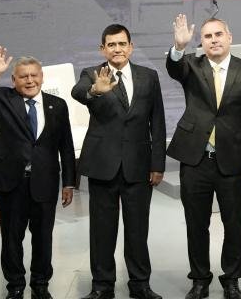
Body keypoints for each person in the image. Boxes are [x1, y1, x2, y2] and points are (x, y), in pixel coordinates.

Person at [166, 15, 241, 299]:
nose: (214, 40)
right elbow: (174, 67)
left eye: (218, 34)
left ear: (230, 37)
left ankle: (231, 279)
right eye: (208, 36)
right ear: (201, 42)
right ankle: (200, 279)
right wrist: (179, 46)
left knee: (234, 225)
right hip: (195, 160)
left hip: (234, 162)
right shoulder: (191, 65)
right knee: (196, 225)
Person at [71, 24, 167, 299]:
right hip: (103, 166)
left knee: (137, 230)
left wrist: (157, 164)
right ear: (102, 49)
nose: (117, 49)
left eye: (122, 44)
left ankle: (140, 284)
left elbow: (157, 122)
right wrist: (96, 90)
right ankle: (102, 286)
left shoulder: (149, 76)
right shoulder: (91, 74)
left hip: (139, 166)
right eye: (111, 45)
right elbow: (78, 92)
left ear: (131, 47)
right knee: (102, 230)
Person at [0, 47, 76, 299]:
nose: (29, 80)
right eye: (23, 76)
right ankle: (15, 286)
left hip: (45, 183)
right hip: (10, 183)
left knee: (43, 238)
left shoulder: (57, 105)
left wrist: (69, 182)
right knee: (12, 238)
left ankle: (40, 285)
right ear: (14, 80)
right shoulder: (3, 99)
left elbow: (66, 145)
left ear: (42, 77)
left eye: (34, 75)